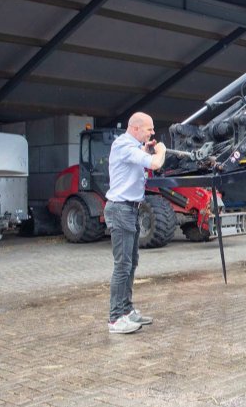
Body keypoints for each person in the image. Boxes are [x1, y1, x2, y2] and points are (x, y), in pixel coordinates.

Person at [104, 111, 166, 334]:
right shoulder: (123, 145)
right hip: (121, 210)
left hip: (131, 210)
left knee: (131, 263)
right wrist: (161, 151)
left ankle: (127, 310)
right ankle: (114, 319)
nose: (152, 133)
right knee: (122, 265)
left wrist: (146, 149)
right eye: (149, 129)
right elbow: (156, 164)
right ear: (136, 128)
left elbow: (140, 157)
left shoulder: (132, 147)